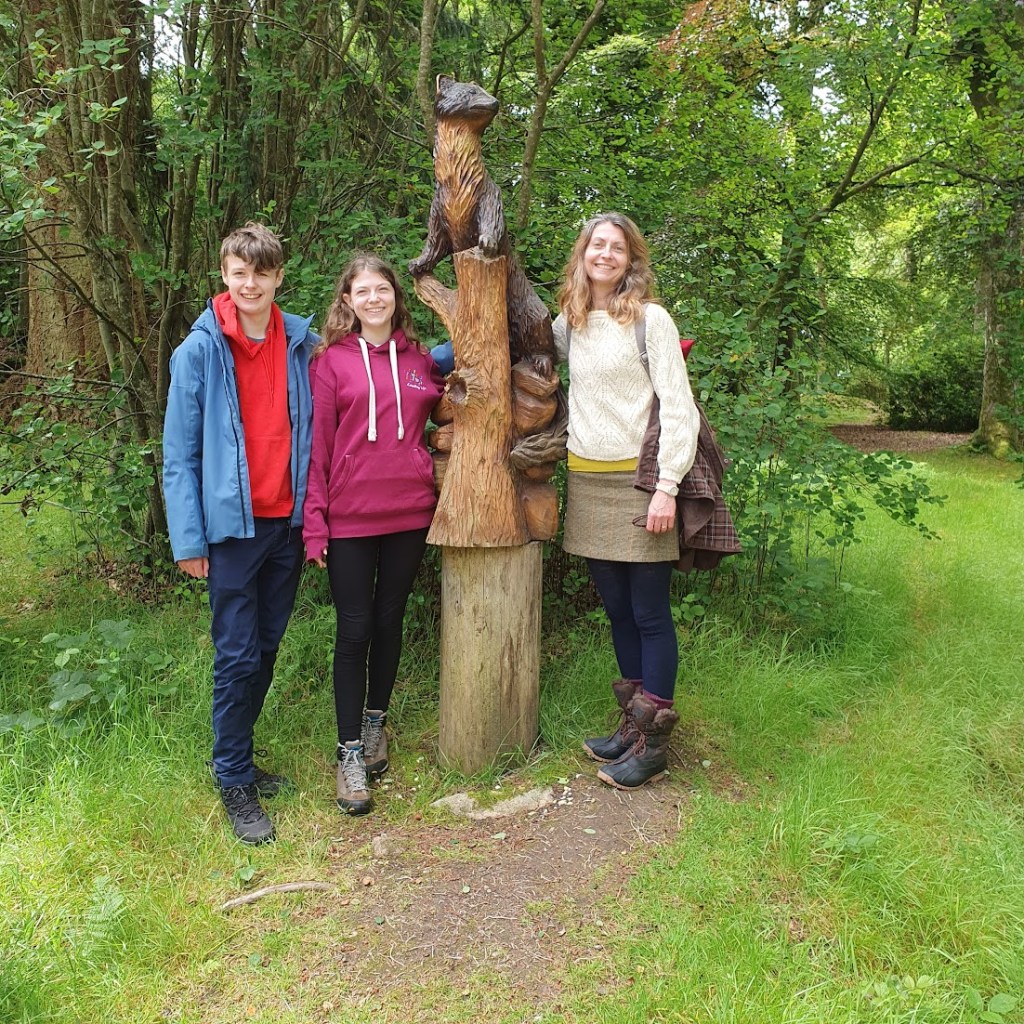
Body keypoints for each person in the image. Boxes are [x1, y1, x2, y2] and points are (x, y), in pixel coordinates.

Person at [163, 222, 316, 844]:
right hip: (231, 530)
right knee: (236, 654)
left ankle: (239, 756)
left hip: (286, 521)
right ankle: (232, 776)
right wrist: (190, 539)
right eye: (238, 272)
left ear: (278, 276)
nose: (249, 283)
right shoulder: (198, 351)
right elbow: (179, 455)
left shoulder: (300, 341)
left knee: (270, 645)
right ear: (224, 275)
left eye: (261, 272)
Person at [553, 212, 700, 790]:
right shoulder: (569, 323)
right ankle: (630, 724)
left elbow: (678, 405)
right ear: (582, 255)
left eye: (617, 247)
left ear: (630, 258)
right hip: (587, 481)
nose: (605, 255)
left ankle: (653, 744)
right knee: (616, 610)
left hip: (641, 482)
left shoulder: (650, 320)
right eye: (597, 245)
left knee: (648, 612)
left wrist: (667, 485)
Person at [303, 255, 444, 816]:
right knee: (354, 628)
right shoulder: (330, 363)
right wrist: (315, 522)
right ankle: (348, 755)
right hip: (350, 517)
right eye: (362, 291)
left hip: (410, 512)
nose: (373, 299)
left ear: (394, 297)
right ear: (348, 301)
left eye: (381, 289)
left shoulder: (419, 362)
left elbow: (457, 385)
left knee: (390, 620)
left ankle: (375, 721)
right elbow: (317, 448)